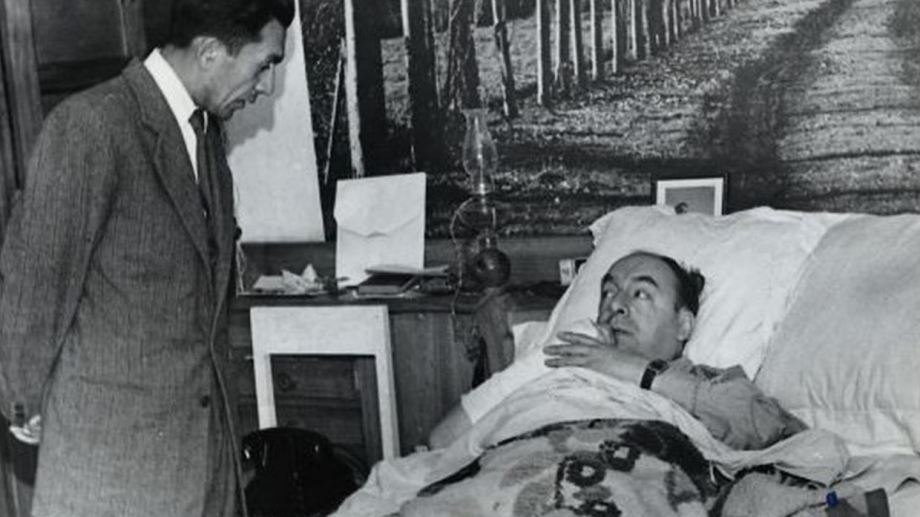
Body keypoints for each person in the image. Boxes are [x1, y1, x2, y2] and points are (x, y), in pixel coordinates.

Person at [0, 0, 294, 515]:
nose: (266, 86)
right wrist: (22, 401)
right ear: (209, 52)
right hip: (117, 472)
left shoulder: (205, 133)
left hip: (206, 462)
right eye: (264, 64)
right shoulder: (90, 126)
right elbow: (34, 285)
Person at [430, 251, 806, 451]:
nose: (616, 305)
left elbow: (765, 427)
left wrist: (635, 371)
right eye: (608, 292)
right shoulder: (566, 360)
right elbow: (442, 440)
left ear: (684, 325)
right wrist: (540, 365)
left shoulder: (705, 385)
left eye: (641, 293)